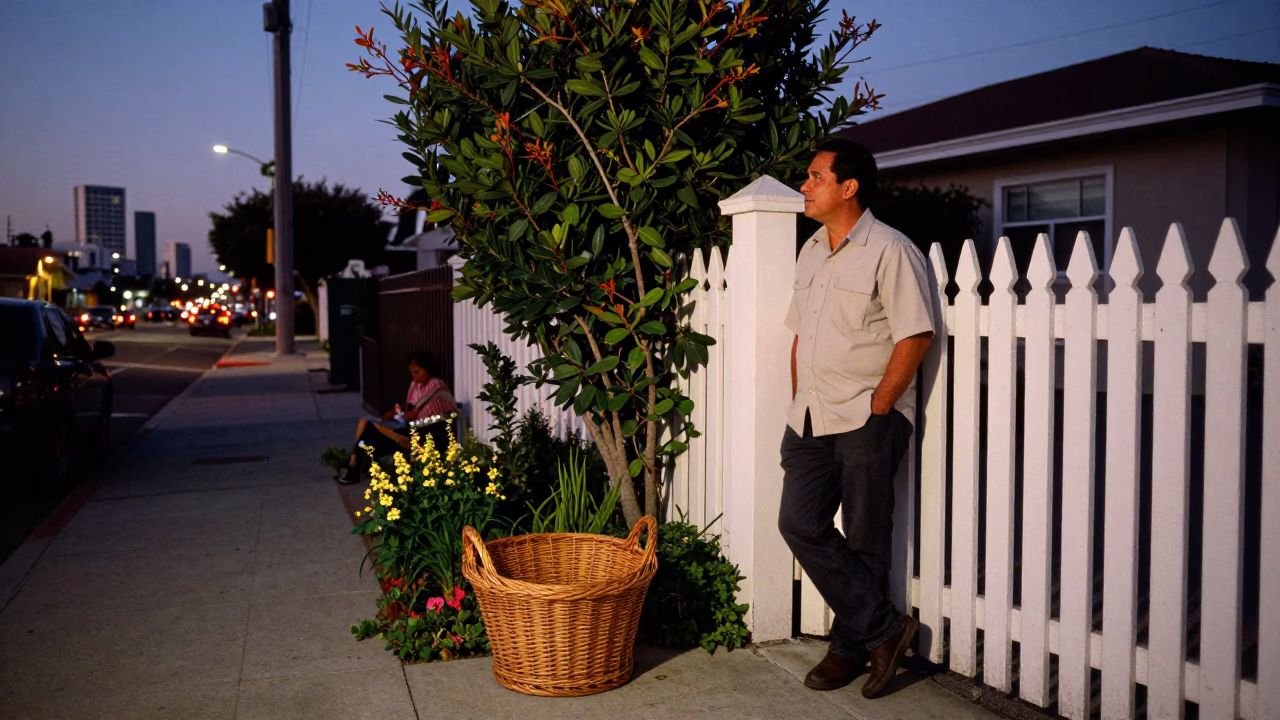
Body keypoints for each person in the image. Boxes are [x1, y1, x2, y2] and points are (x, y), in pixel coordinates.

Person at [778, 139, 935, 698]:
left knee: (867, 536)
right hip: (811, 414)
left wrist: (880, 404)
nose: (805, 186)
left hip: (867, 412)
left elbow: (915, 332)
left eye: (815, 177)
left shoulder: (891, 249)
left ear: (849, 187)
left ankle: (850, 648)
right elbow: (801, 334)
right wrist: (801, 398)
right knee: (799, 522)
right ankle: (887, 630)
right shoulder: (811, 251)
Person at [335, 351, 457, 484]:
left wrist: (396, 414)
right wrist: (397, 411)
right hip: (411, 427)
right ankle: (356, 460)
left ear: (428, 369)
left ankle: (354, 464)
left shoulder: (435, 384)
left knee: (371, 430)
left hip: (428, 431)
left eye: (417, 372)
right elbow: (408, 407)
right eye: (412, 372)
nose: (414, 376)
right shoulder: (415, 385)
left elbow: (412, 413)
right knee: (366, 426)